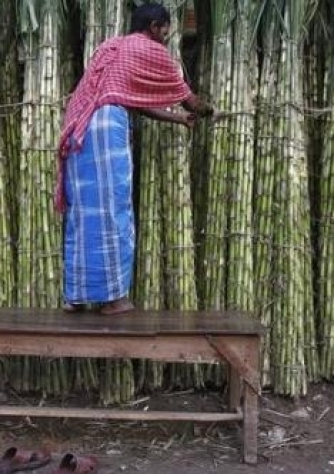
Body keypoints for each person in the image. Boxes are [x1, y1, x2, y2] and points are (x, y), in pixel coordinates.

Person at [56, 3, 216, 315]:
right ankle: (113, 299)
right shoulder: (150, 50)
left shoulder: (112, 48)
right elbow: (189, 99)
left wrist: (177, 119)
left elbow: (130, 99)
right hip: (105, 131)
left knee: (84, 213)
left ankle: (75, 296)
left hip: (77, 130)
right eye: (166, 30)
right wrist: (207, 110)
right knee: (112, 209)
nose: (167, 37)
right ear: (154, 26)